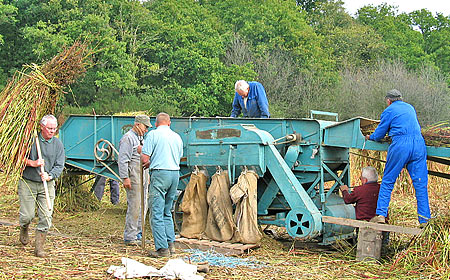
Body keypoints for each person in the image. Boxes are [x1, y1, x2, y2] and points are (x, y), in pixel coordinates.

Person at [365, 89, 430, 227]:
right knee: (420, 184)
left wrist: (371, 137)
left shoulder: (389, 111)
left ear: (388, 101)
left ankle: (381, 214)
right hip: (419, 144)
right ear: (401, 98)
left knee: (388, 181)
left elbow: (380, 133)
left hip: (401, 145)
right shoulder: (410, 107)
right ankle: (424, 220)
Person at [19, 114, 65, 257]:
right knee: (27, 215)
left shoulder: (57, 145)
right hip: (28, 182)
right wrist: (32, 163)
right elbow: (17, 157)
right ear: (42, 127)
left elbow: (60, 165)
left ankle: (39, 248)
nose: (52, 131)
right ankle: (24, 227)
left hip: (47, 184)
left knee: (46, 216)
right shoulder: (31, 140)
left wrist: (49, 175)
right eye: (49, 128)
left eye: (54, 128)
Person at [141, 112, 183, 258]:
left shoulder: (153, 135)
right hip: (174, 174)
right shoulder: (177, 137)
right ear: (169, 123)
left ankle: (161, 249)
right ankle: (171, 245)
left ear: (156, 123)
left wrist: (144, 155)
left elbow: (144, 158)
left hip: (160, 174)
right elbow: (177, 157)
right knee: (167, 211)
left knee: (156, 212)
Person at [118, 115, 151, 245]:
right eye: (145, 127)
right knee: (135, 206)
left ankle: (139, 233)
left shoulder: (140, 138)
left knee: (143, 205)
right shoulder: (128, 138)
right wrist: (125, 178)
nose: (146, 130)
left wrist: (147, 177)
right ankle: (130, 236)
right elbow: (123, 160)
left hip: (143, 176)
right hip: (133, 176)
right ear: (137, 125)